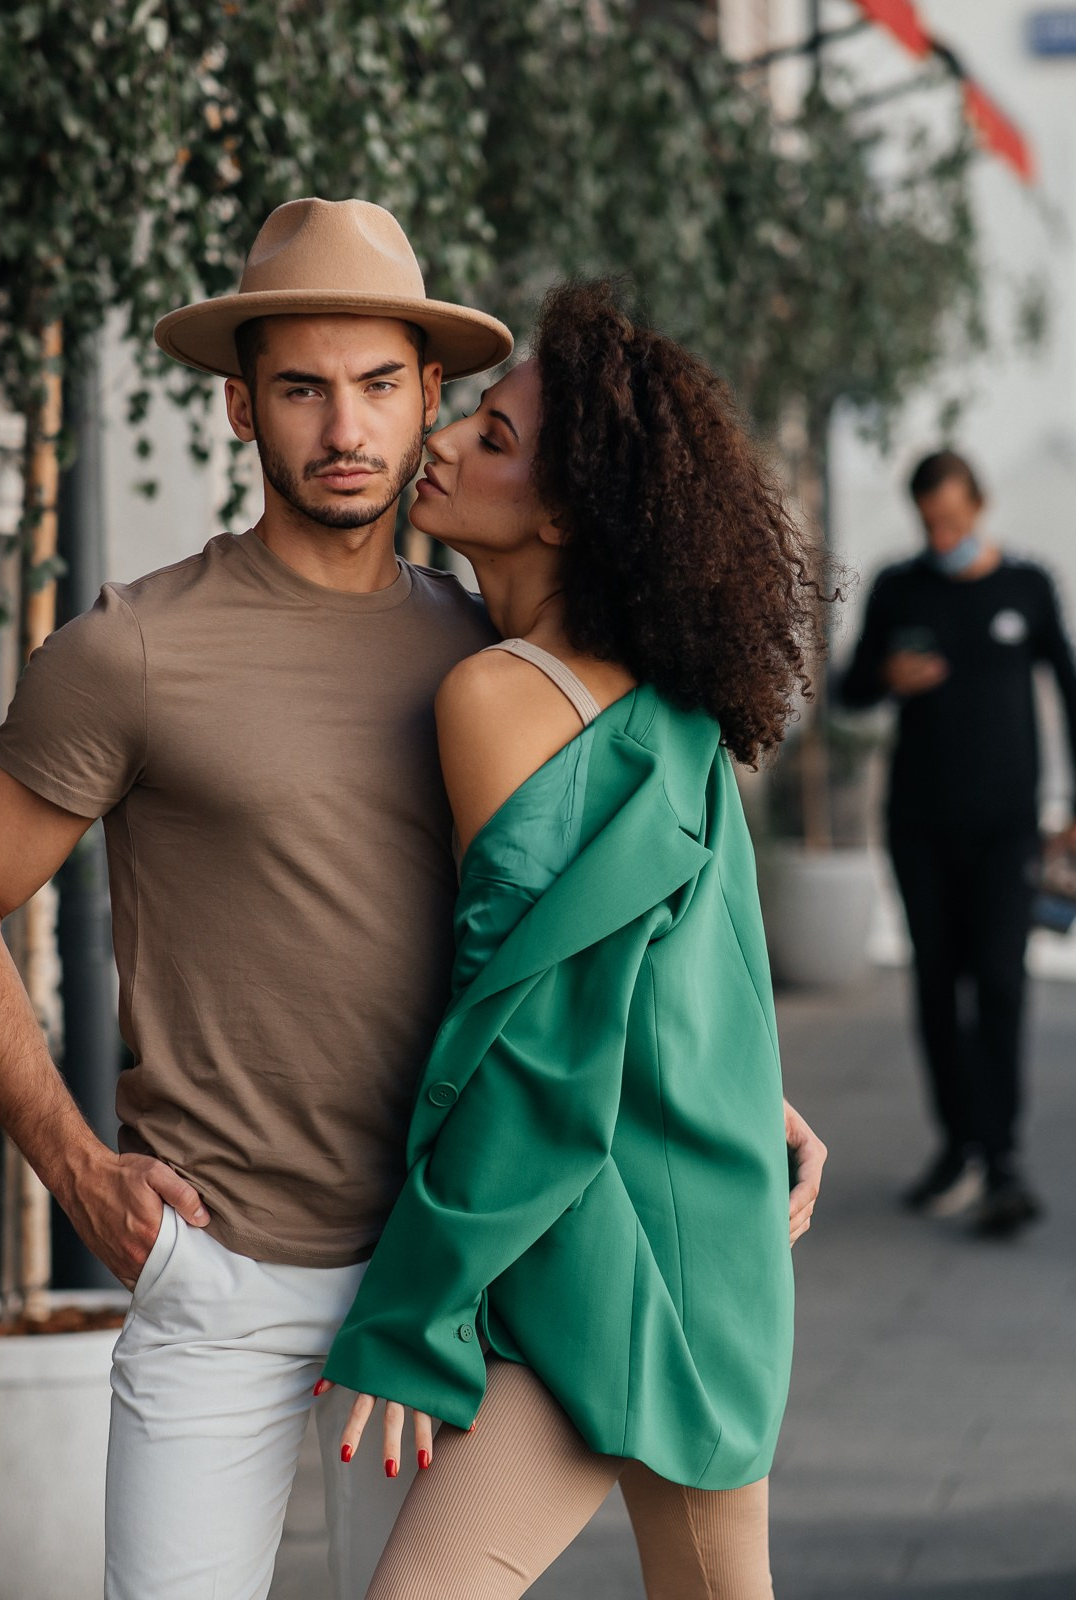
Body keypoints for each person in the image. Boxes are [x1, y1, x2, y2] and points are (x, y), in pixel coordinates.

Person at [0, 201, 827, 1600]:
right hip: (226, 1280)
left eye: (383, 386)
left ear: (428, 400)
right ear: (238, 407)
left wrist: (719, 1088)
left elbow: (589, 933)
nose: (348, 427)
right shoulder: (131, 652)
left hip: (451, 1275)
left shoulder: (491, 651)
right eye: (303, 389)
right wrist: (76, 1165)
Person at [311, 281, 821, 1600]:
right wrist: (758, 1095)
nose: (442, 440)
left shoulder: (493, 697)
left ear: (559, 515)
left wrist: (415, 1314)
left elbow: (525, 1042)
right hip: (708, 1236)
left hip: (594, 1250)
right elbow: (687, 976)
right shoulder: (672, 712)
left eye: (490, 438)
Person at [836, 449, 1076, 1240]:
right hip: (919, 826)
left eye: (953, 517)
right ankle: (958, 1145)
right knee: (937, 990)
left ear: (978, 506)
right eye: (929, 520)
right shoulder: (898, 586)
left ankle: (1004, 1156)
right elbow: (849, 690)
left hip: (1008, 828)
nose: (941, 531)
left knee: (1002, 984)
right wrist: (889, 677)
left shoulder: (1027, 586)